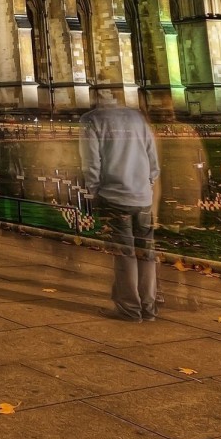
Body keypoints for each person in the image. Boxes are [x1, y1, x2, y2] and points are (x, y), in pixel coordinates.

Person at [78, 86, 161, 321]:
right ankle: (149, 306)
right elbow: (151, 155)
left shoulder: (91, 120)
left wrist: (94, 190)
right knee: (147, 252)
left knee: (124, 253)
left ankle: (129, 308)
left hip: (113, 197)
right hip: (142, 195)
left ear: (95, 97)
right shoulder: (136, 117)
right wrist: (148, 182)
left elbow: (91, 162)